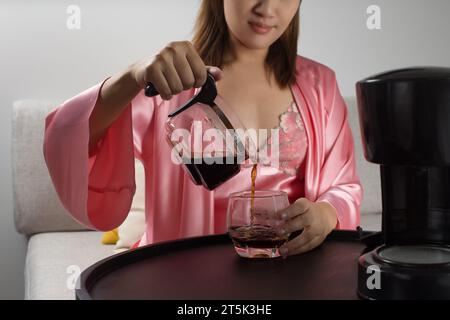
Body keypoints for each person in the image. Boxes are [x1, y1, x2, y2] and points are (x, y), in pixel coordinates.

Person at [43, 0, 362, 257]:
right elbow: (70, 138)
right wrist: (131, 77)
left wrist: (326, 213)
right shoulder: (170, 82)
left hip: (290, 273)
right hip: (182, 275)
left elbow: (344, 186)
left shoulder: (320, 85)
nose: (267, 8)